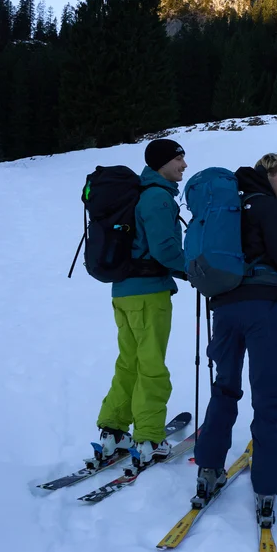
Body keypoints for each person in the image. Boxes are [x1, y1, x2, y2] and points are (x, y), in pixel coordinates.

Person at [191, 153, 277, 523]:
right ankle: (266, 487)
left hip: (225, 310)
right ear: (267, 174)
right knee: (269, 397)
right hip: (261, 310)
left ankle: (208, 470)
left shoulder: (232, 206)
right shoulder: (265, 206)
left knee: (225, 388)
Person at [94, 139, 189, 468]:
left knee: (129, 362)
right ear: (162, 163)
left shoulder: (139, 194)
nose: (184, 165)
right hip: (149, 293)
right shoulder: (157, 198)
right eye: (179, 159)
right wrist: (193, 270)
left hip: (123, 293)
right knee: (151, 365)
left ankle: (113, 429)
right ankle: (148, 436)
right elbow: (165, 249)